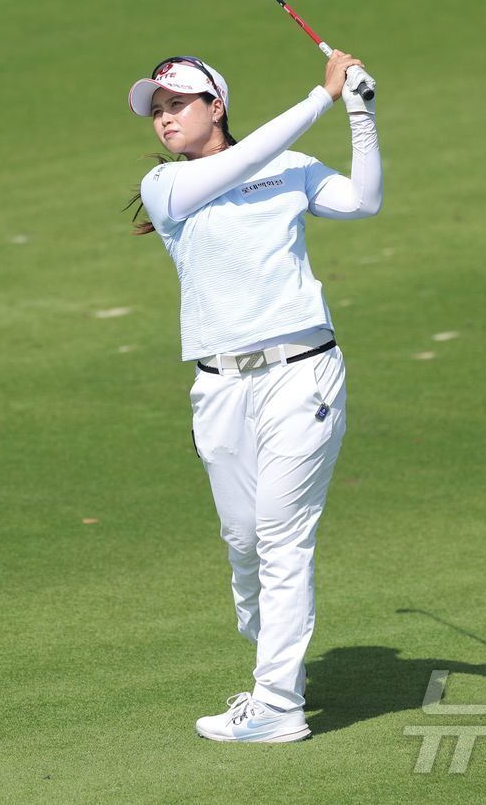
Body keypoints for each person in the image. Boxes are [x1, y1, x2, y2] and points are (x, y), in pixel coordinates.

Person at [126, 52, 382, 742]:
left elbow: (362, 202)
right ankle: (276, 659)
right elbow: (240, 163)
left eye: (178, 103)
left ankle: (276, 704)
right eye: (157, 109)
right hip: (219, 387)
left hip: (302, 374)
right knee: (244, 544)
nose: (165, 118)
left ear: (216, 106)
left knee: (280, 538)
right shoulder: (166, 186)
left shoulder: (290, 167)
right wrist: (319, 98)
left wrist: (359, 112)